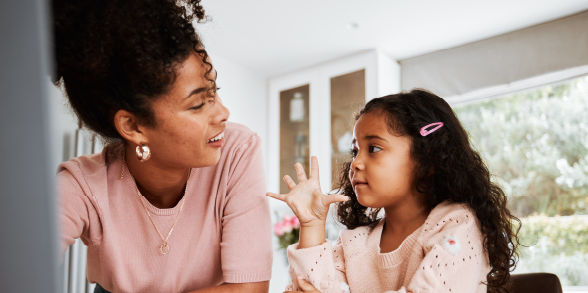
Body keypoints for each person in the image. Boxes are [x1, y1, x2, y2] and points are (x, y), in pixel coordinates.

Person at [52, 0, 272, 292]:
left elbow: (249, 289)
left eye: (214, 92)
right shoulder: (82, 185)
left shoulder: (237, 150)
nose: (223, 113)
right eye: (196, 105)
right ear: (133, 127)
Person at [268, 89, 520, 293]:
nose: (355, 163)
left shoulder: (456, 225)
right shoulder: (355, 243)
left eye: (374, 148)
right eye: (355, 151)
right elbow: (308, 287)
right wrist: (311, 224)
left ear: (427, 158)